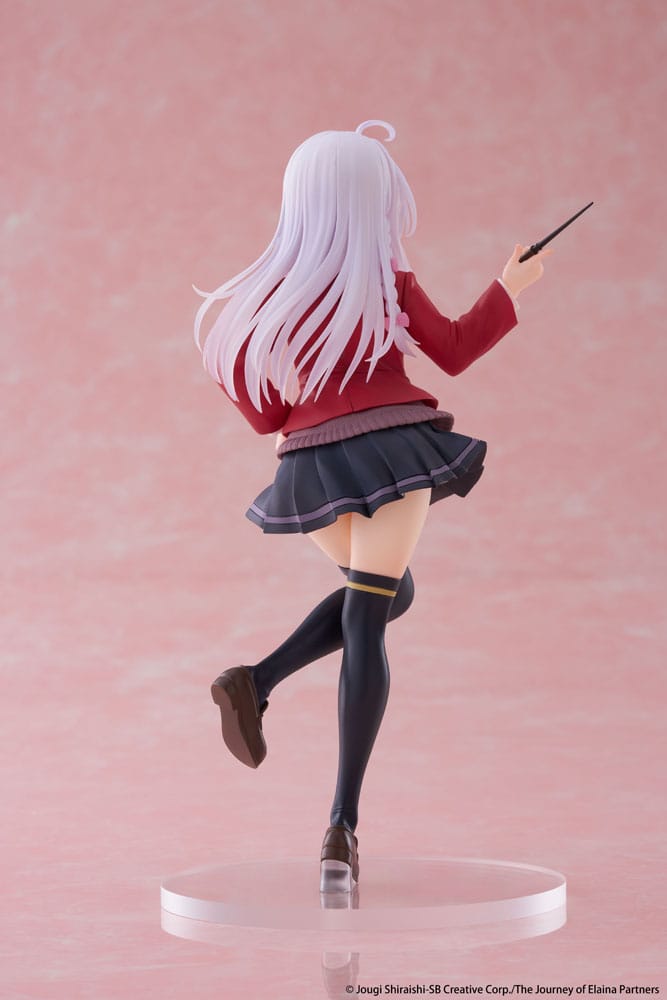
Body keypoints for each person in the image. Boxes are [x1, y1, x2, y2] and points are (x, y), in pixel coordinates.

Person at [193, 120, 551, 893]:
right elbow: (452, 348)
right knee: (368, 614)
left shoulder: (276, 292)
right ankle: (340, 827)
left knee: (388, 594)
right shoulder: (385, 278)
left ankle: (256, 681)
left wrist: (286, 407)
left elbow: (257, 404)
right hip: (389, 450)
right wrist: (509, 287)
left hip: (311, 465)